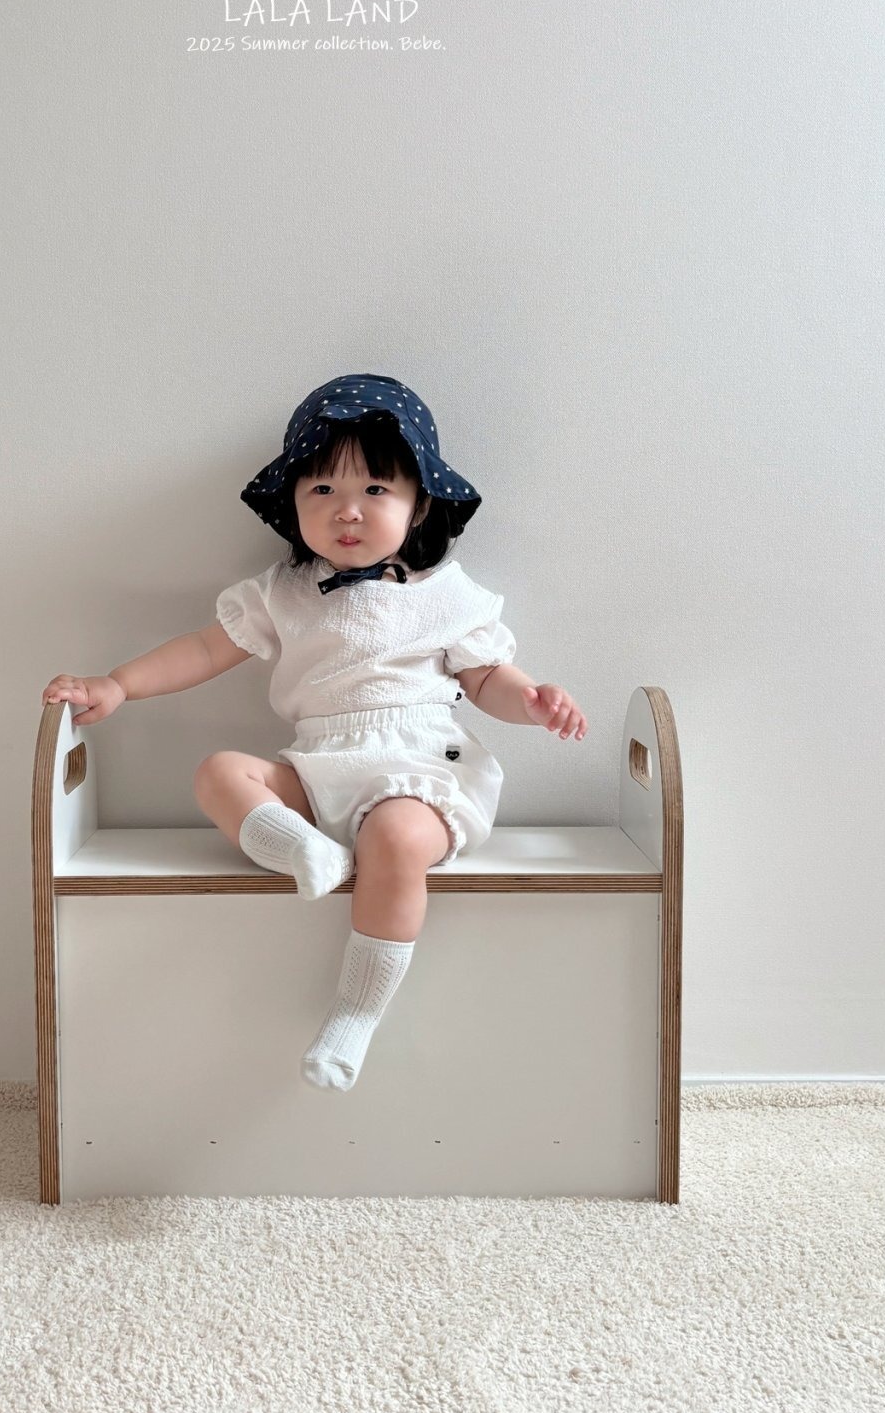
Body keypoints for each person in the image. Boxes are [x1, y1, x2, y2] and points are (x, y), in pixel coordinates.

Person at [42, 373, 587, 1093]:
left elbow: (488, 680)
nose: (346, 510)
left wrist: (534, 701)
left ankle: (356, 1010)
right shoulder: (283, 591)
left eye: (375, 490)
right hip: (321, 764)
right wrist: (117, 684)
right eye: (322, 489)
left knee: (396, 837)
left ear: (420, 502)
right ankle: (304, 850)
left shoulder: (447, 595)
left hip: (419, 768)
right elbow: (203, 649)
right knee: (219, 772)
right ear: (293, 500)